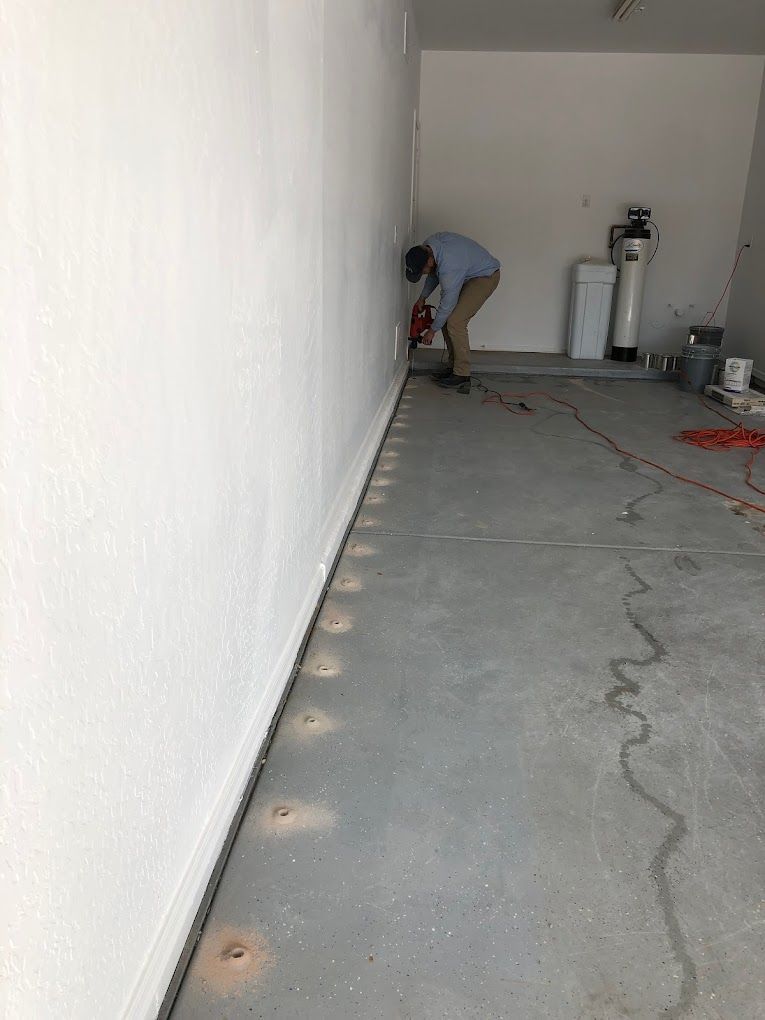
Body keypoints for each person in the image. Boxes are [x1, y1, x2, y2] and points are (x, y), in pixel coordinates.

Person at [405, 232, 501, 391]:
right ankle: (453, 367)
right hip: (468, 273)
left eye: (421, 271)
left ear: (429, 260)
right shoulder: (429, 247)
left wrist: (432, 330)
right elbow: (433, 274)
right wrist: (422, 297)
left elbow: (447, 303)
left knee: (455, 321)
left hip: (486, 277)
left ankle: (462, 375)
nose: (423, 274)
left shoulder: (450, 266)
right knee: (446, 319)